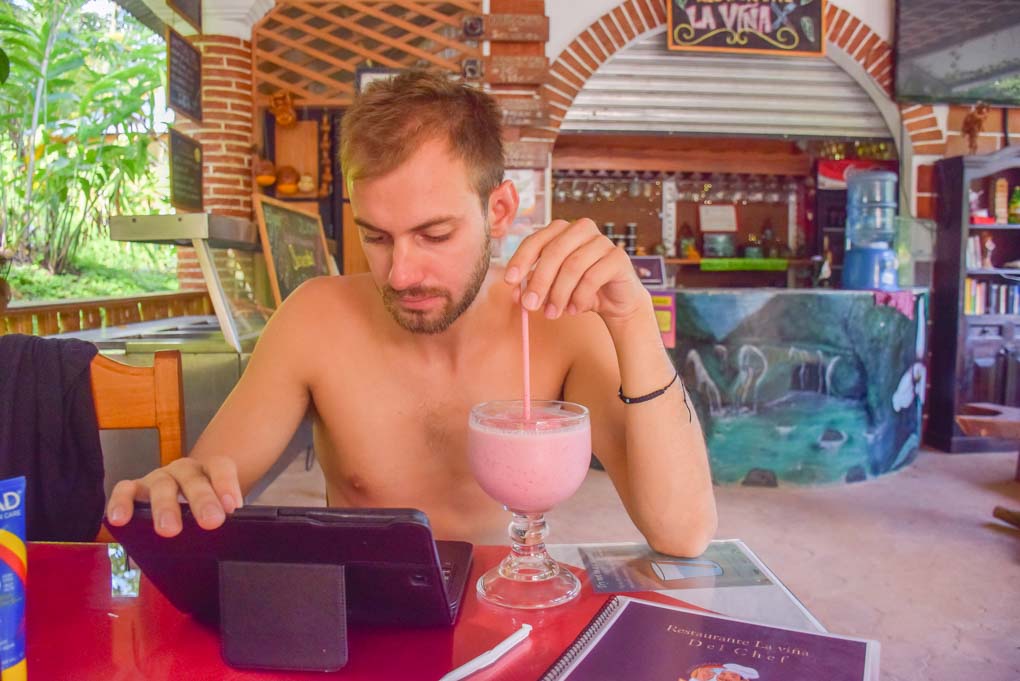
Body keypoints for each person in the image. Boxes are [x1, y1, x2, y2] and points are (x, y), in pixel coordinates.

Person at [105, 70, 716, 556]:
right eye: (376, 236)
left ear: (499, 210)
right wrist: (180, 490)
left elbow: (683, 533)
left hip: (500, 616)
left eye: (434, 234)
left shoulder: (558, 323)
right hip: (364, 629)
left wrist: (633, 319)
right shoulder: (314, 321)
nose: (400, 274)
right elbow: (210, 482)